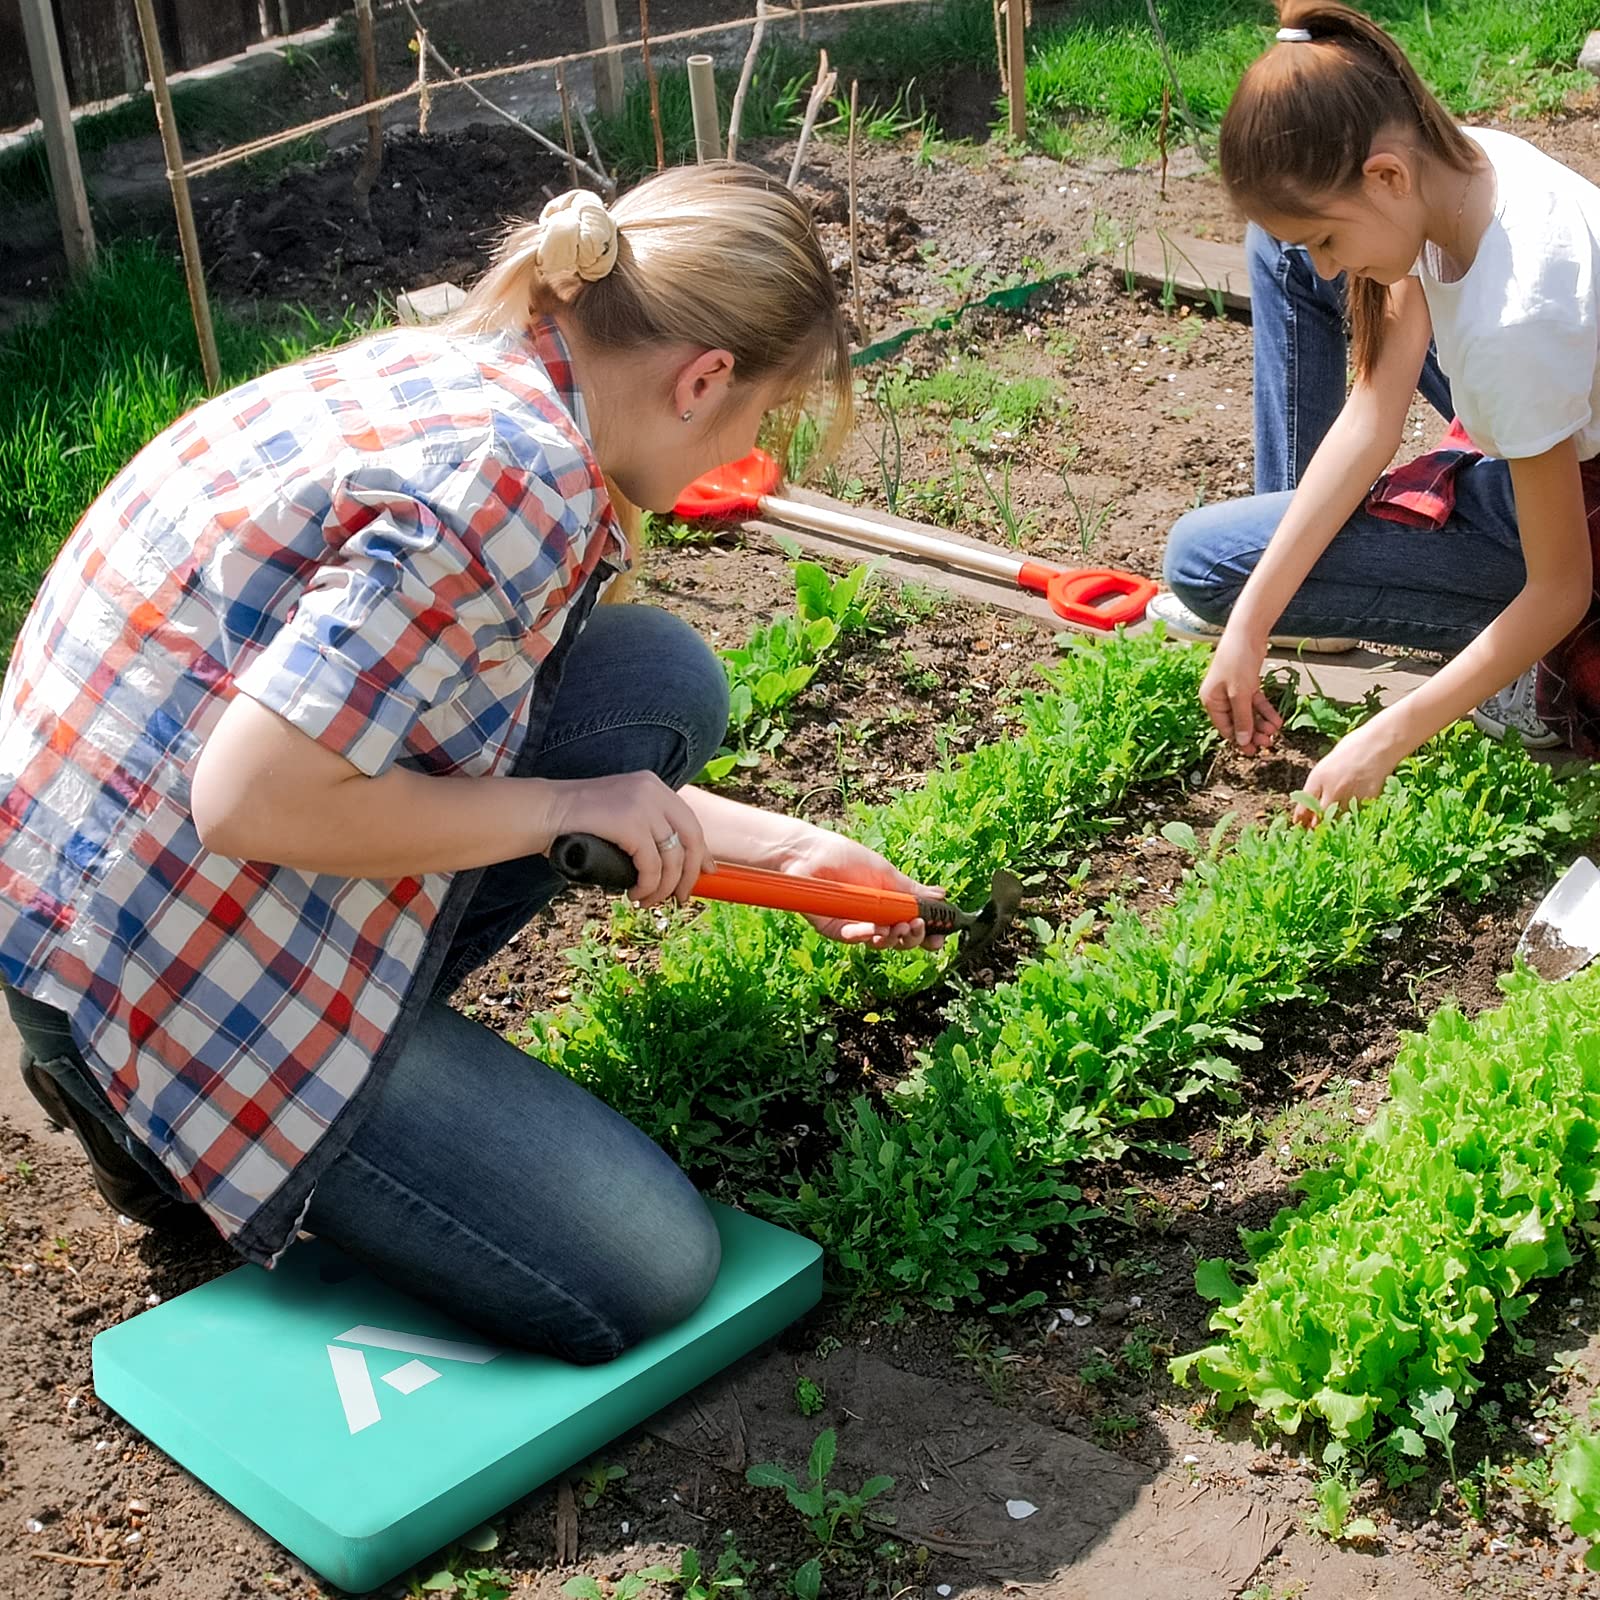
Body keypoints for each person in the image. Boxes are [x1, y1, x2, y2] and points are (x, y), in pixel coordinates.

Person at [0, 163, 944, 1363]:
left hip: (85, 903)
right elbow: (247, 798)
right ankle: (160, 1142)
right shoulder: (512, 481)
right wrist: (563, 802)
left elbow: (356, 740)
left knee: (653, 679)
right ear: (703, 378)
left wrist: (793, 849)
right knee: (645, 1264)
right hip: (156, 977)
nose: (749, 445)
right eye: (763, 415)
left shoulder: (477, 362)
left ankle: (246, 1097)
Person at [1153, 2, 1600, 818]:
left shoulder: (1517, 320)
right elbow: (1370, 415)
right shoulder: (1466, 174)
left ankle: (1529, 687)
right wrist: (1252, 625)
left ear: (1387, 175)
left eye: (1328, 240)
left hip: (1587, 527)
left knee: (1202, 562)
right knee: (1272, 244)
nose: (1325, 270)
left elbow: (1562, 588)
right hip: (1557, 445)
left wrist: (1390, 733)